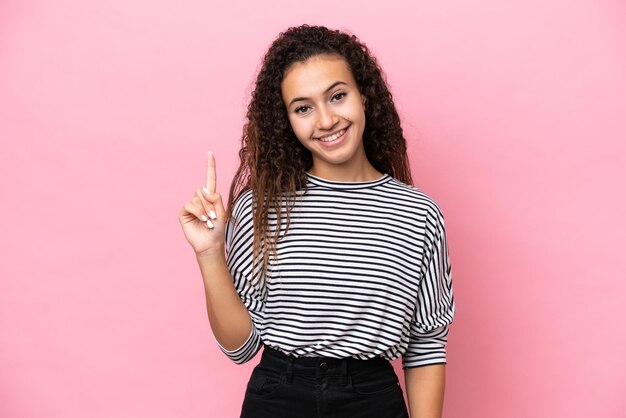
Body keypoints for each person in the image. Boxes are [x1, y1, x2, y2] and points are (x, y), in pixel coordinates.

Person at [179, 24, 456, 418]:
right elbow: (239, 348)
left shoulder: (418, 214)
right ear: (286, 120)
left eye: (337, 96)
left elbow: (426, 347)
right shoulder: (260, 206)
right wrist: (209, 253)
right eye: (303, 107)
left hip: (372, 400)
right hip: (277, 397)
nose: (326, 120)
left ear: (364, 95)